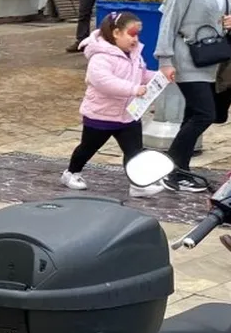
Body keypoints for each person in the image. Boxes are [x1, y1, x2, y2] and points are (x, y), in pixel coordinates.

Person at [155, 0, 231, 193]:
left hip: (209, 58)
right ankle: (172, 168)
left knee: (193, 114)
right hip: (186, 57)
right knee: (205, 113)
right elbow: (169, 21)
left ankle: (181, 169)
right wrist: (165, 60)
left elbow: (220, 13)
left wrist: (229, 22)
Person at [62, 12, 164, 198]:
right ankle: (71, 172)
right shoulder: (100, 57)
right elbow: (104, 82)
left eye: (137, 35)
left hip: (128, 114)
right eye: (131, 33)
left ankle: (138, 184)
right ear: (116, 33)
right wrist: (134, 89)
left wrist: (160, 77)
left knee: (134, 151)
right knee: (88, 147)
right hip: (101, 115)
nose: (135, 39)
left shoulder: (134, 55)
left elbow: (142, 75)